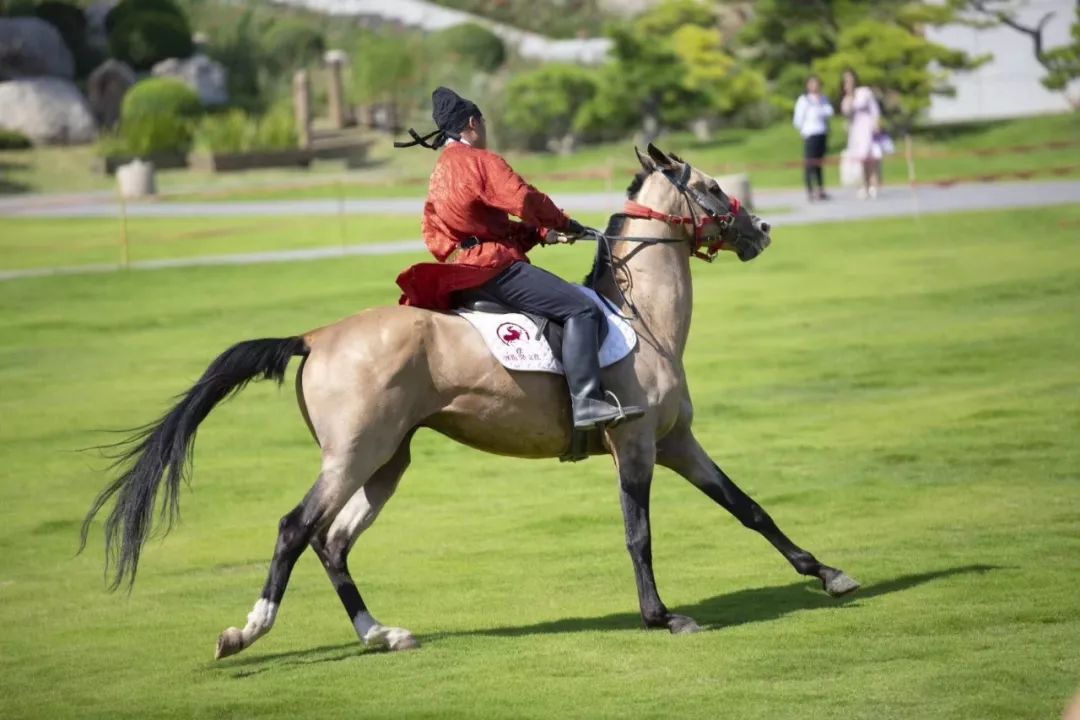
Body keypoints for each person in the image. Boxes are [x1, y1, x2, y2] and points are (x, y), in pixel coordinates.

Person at [394, 87, 644, 430]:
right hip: (492, 271)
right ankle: (587, 402)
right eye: (483, 122)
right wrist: (563, 222)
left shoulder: (439, 172)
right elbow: (525, 200)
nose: (484, 128)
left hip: (459, 274)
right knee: (582, 309)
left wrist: (538, 234)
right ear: (471, 123)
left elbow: (458, 230)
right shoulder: (481, 162)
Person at [840, 69, 882, 199]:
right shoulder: (846, 99)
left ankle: (873, 186)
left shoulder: (864, 92)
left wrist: (876, 122)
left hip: (868, 129)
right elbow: (847, 112)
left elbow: (874, 109)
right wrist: (849, 95)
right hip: (855, 131)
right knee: (858, 160)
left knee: (870, 159)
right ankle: (862, 186)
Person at [792, 74, 833, 202]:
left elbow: (829, 112)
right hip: (810, 133)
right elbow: (798, 119)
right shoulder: (804, 100)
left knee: (819, 163)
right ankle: (810, 190)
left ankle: (820, 189)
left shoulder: (823, 99)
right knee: (810, 163)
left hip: (822, 132)